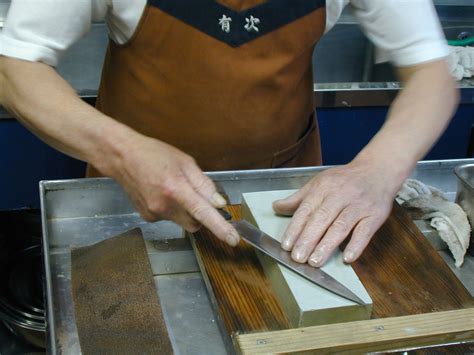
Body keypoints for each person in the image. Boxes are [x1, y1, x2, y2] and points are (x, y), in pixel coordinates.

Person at [0, 0, 458, 267]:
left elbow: (432, 75)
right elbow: (14, 65)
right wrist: (122, 152)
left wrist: (376, 172)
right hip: (134, 189)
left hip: (282, 196)